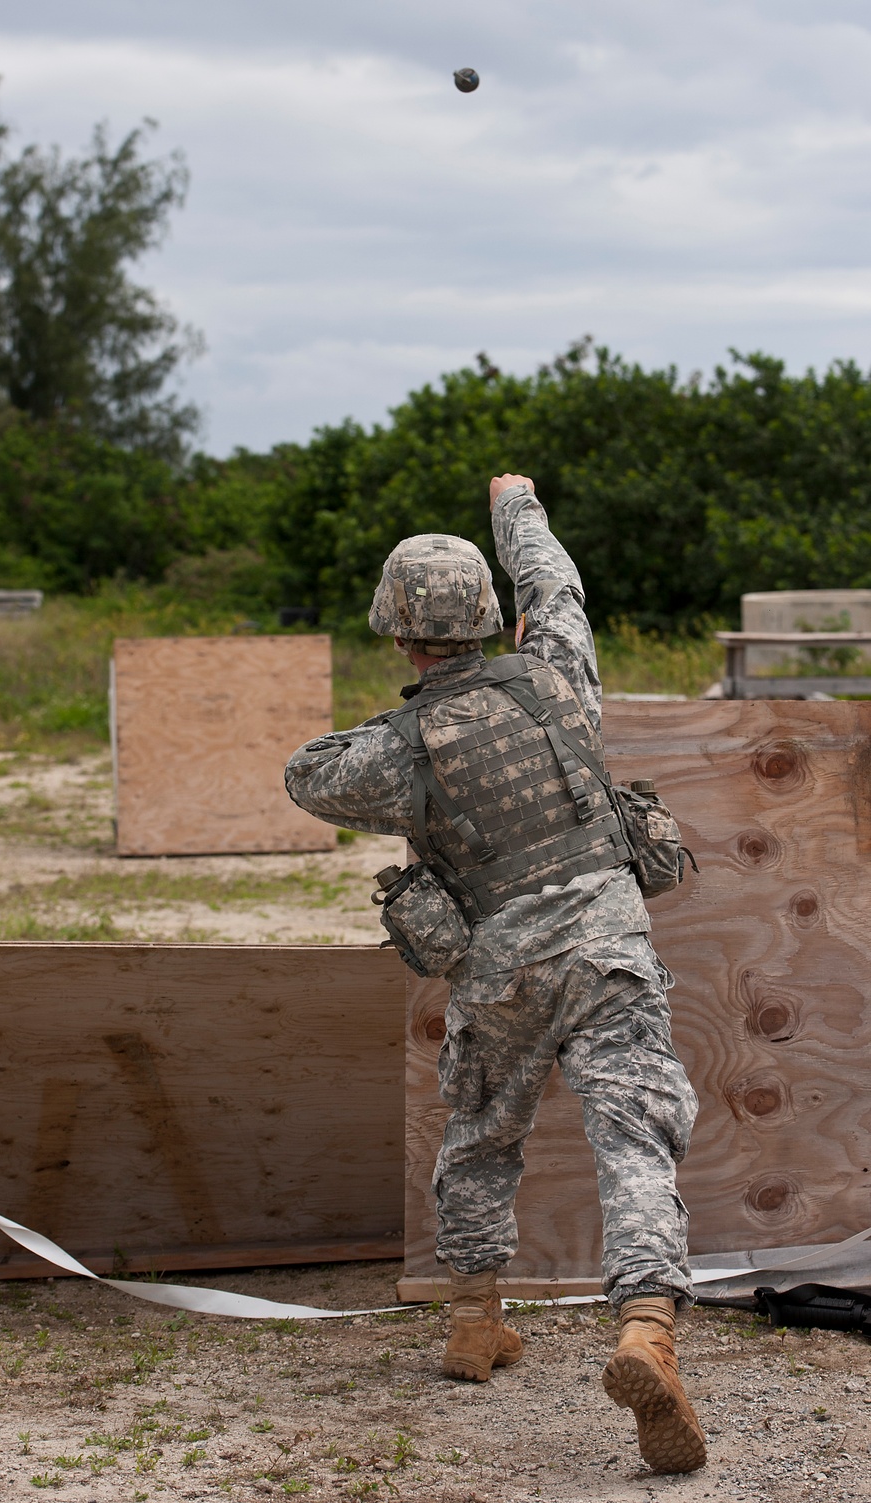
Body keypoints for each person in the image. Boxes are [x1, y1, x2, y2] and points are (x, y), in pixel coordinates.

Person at [284, 474, 706, 1475]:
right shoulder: (558, 668)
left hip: (498, 967)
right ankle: (646, 1328)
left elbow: (305, 774)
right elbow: (554, 581)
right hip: (608, 944)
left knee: (479, 1134)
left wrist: (407, 745)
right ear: (491, 619)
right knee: (634, 1140)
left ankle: (474, 1323)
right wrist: (515, 507)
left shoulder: (393, 751)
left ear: (398, 633)